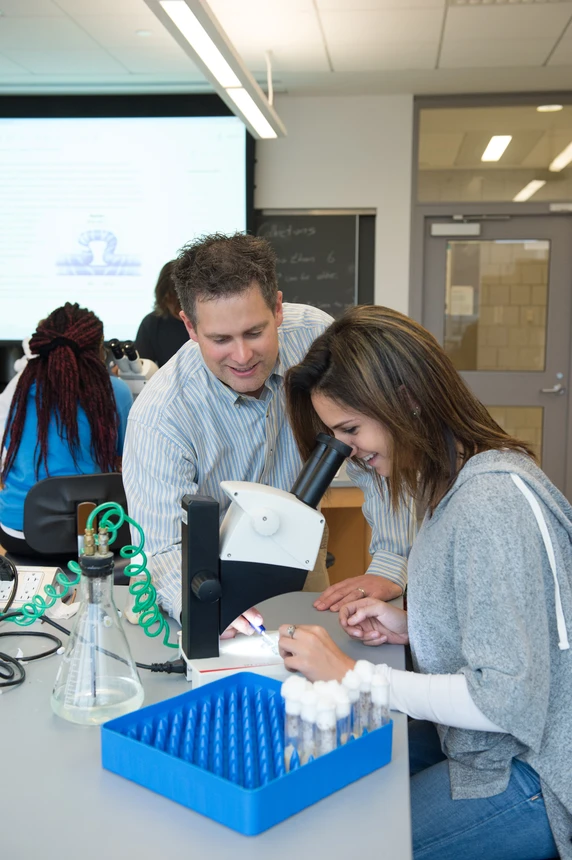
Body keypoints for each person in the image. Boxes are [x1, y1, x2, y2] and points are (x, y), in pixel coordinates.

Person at [278, 304, 571, 860]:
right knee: (331, 779)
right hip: (489, 746)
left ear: (405, 399)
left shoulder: (488, 502)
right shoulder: (457, 482)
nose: (351, 452)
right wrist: (410, 628)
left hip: (531, 774)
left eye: (351, 430)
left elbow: (502, 700)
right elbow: (514, 633)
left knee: (345, 840)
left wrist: (353, 675)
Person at [122, 233, 415, 634]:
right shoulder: (160, 416)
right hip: (205, 567)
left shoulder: (316, 339)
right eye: (221, 339)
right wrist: (198, 607)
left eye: (254, 332)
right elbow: (162, 547)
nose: (242, 357)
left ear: (277, 308)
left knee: (315, 662)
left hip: (300, 544)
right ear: (190, 326)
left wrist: (390, 563)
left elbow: (372, 454)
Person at [0, 303, 133, 556]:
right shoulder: (116, 392)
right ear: (98, 350)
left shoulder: (19, 389)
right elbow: (124, 458)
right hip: (97, 533)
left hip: (20, 533)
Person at [134, 261, 189, 367]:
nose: (179, 309)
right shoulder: (152, 323)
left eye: (181, 302)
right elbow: (142, 368)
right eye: (172, 300)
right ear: (163, 298)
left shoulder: (207, 321)